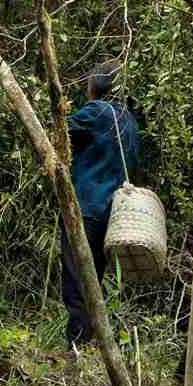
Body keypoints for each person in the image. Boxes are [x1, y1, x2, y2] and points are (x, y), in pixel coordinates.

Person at [61, 59, 139, 349]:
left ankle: (77, 347)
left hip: (87, 206)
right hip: (112, 214)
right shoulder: (129, 118)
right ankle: (92, 344)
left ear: (97, 86)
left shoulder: (97, 112)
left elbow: (58, 130)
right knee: (94, 279)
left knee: (77, 282)